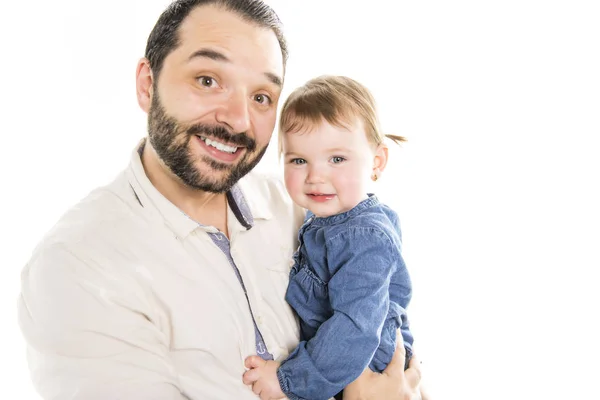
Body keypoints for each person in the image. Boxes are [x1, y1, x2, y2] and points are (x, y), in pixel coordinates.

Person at [17, 1, 423, 399]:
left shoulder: (302, 209)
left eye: (262, 96)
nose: (239, 119)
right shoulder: (78, 266)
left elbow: (388, 351)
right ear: (147, 84)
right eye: (208, 79)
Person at [242, 76, 414, 400]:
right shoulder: (324, 220)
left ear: (377, 162)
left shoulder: (364, 238)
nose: (315, 176)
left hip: (362, 368)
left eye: (337, 159)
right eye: (298, 160)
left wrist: (286, 380)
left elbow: (354, 330)